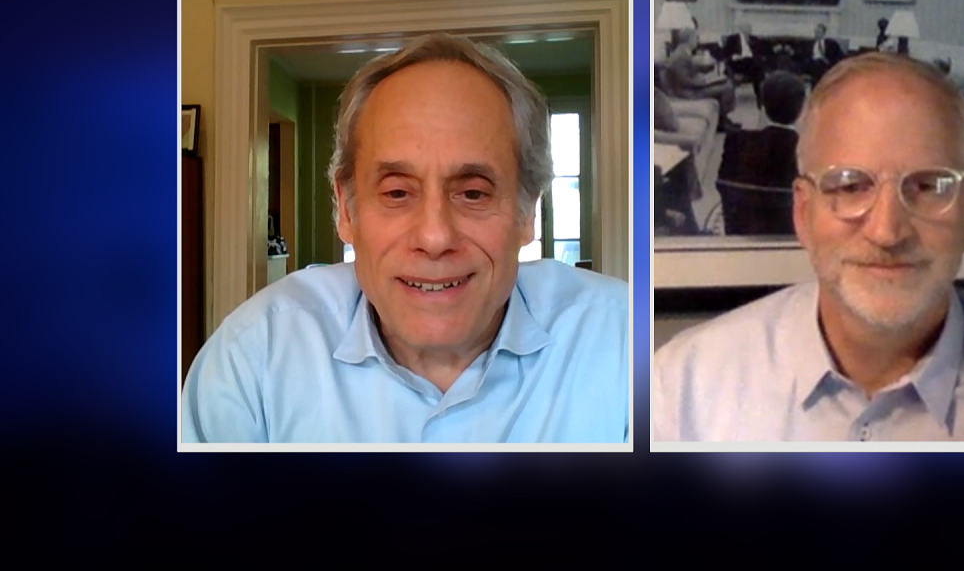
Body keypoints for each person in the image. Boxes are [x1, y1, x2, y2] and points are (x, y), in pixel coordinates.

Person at [182, 33, 629, 443]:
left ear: (527, 211)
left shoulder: (627, 345)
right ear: (346, 209)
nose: (435, 237)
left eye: (473, 193)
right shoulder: (254, 357)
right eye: (397, 192)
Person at [653, 53, 964, 442]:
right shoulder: (681, 395)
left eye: (927, 186)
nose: (887, 232)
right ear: (803, 213)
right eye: (849, 185)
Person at [716, 71, 806, 235]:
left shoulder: (735, 143)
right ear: (801, 110)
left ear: (762, 106)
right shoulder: (808, 152)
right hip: (790, 241)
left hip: (740, 235)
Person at [663, 27, 741, 132]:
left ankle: (723, 119)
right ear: (689, 39)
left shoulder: (682, 53)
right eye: (695, 38)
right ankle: (722, 122)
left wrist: (707, 70)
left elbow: (691, 70)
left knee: (725, 82)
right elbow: (685, 81)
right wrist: (705, 82)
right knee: (727, 87)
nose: (697, 41)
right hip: (686, 93)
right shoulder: (680, 56)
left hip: (688, 88)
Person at [723, 22, 766, 107]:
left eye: (750, 29)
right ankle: (761, 100)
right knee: (756, 67)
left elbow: (761, 53)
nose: (749, 31)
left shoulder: (755, 39)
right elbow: (725, 54)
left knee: (756, 68)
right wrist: (733, 56)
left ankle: (760, 100)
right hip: (737, 64)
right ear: (741, 30)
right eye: (747, 29)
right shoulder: (732, 39)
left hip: (751, 64)